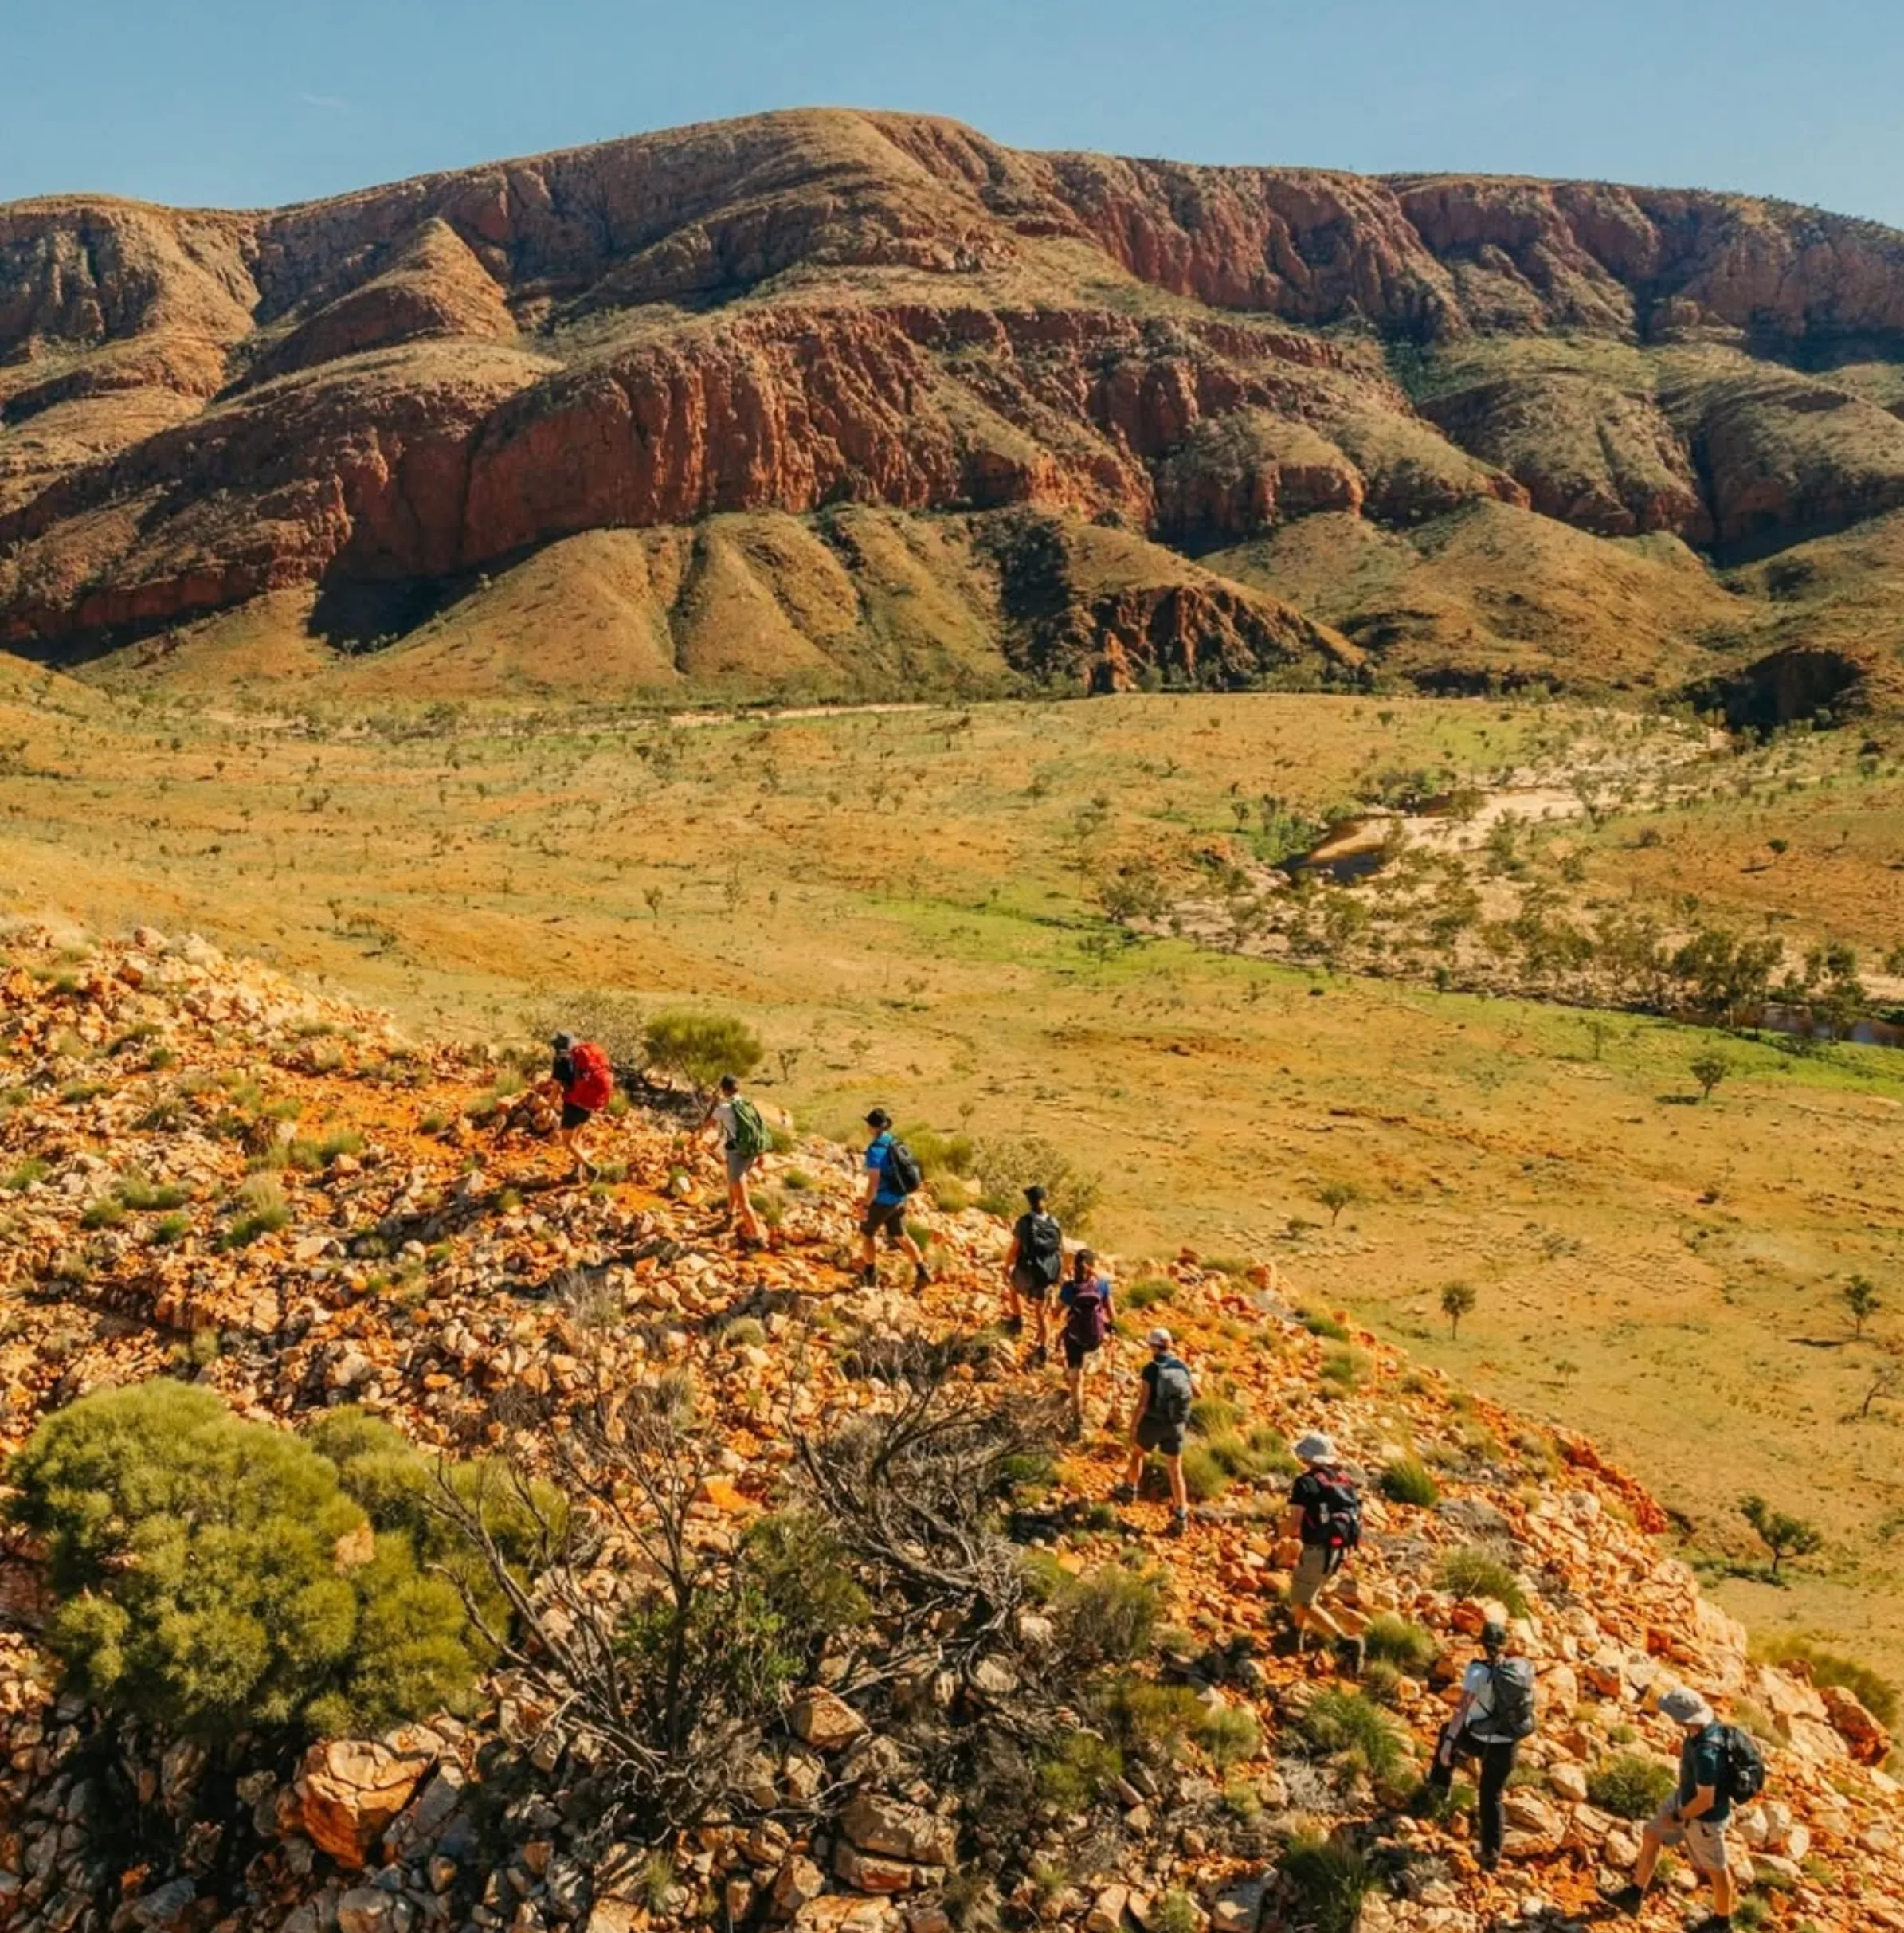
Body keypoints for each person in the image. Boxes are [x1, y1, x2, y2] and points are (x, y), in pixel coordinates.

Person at [1609, 1688, 1738, 1931]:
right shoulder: (1705, 1727)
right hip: (1684, 1798)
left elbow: (1706, 1800)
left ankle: (1722, 1924)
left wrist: (1678, 1816)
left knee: (1716, 1870)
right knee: (1651, 1833)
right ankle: (1633, 1895)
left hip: (1703, 1819)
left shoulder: (1706, 1753)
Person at [1424, 1617, 1537, 1873]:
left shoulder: (1477, 1671)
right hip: (1507, 1744)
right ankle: (1490, 1855)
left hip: (1478, 1739)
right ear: (1505, 1643)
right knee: (1491, 1795)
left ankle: (1438, 1788)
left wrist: (1449, 1743)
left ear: (1482, 1645)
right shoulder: (1517, 1671)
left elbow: (1462, 1710)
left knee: (1445, 1733)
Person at [1283, 1433, 1365, 1671]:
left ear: (1306, 1456)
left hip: (1317, 1549)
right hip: (1339, 1550)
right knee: (1309, 1593)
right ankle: (1295, 1635)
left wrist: (1280, 1534)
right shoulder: (1343, 1480)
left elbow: (1295, 1524)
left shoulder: (1305, 1483)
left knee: (1303, 1600)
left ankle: (1345, 1642)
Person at [1113, 1327, 1196, 1535]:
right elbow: (1198, 1392)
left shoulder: (1151, 1369)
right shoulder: (1182, 1366)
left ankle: (1130, 1490)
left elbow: (1143, 1402)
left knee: (1138, 1453)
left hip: (1153, 1422)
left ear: (1152, 1346)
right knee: (1175, 1470)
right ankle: (1180, 1517)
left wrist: (1133, 1426)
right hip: (1176, 1425)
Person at [859, 1108, 930, 1289]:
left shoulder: (875, 1150)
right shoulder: (895, 1142)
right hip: (900, 1198)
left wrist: (866, 1206)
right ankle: (922, 1271)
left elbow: (873, 1183)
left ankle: (869, 1273)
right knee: (900, 1234)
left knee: (867, 1233)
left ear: (871, 1127)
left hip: (883, 1200)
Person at [698, 1074, 768, 1249]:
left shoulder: (724, 1107)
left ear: (723, 1089)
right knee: (732, 1182)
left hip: (737, 1154)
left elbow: (708, 1125)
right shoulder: (748, 1104)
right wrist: (761, 1154)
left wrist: (714, 1104)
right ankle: (729, 1215)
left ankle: (757, 1238)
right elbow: (759, 1129)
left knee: (744, 1200)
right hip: (750, 1152)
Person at [1003, 1185, 1065, 1361]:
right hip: (1047, 1274)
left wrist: (1006, 1266)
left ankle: (1017, 1321)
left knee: (1013, 1289)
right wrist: (1059, 1276)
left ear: (1029, 1202)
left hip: (1027, 1272)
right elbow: (1059, 1249)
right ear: (1045, 1201)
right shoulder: (1054, 1222)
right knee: (1042, 1312)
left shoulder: (1024, 1222)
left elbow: (1014, 1248)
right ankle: (1044, 1348)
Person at [1056, 1248, 1115, 1429]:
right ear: (1094, 1265)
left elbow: (1056, 1312)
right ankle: (1092, 1361)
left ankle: (1077, 1415)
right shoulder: (1102, 1286)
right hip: (1096, 1338)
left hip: (1075, 1338)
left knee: (1076, 1377)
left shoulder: (1068, 1288)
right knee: (1092, 1349)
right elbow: (1112, 1314)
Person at [547, 1031, 613, 1178]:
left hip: (574, 1103)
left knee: (567, 1142)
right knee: (577, 1139)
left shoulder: (560, 1061)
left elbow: (556, 1089)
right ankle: (577, 1173)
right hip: (590, 1102)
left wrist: (548, 1107)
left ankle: (591, 1168)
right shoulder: (582, 1058)